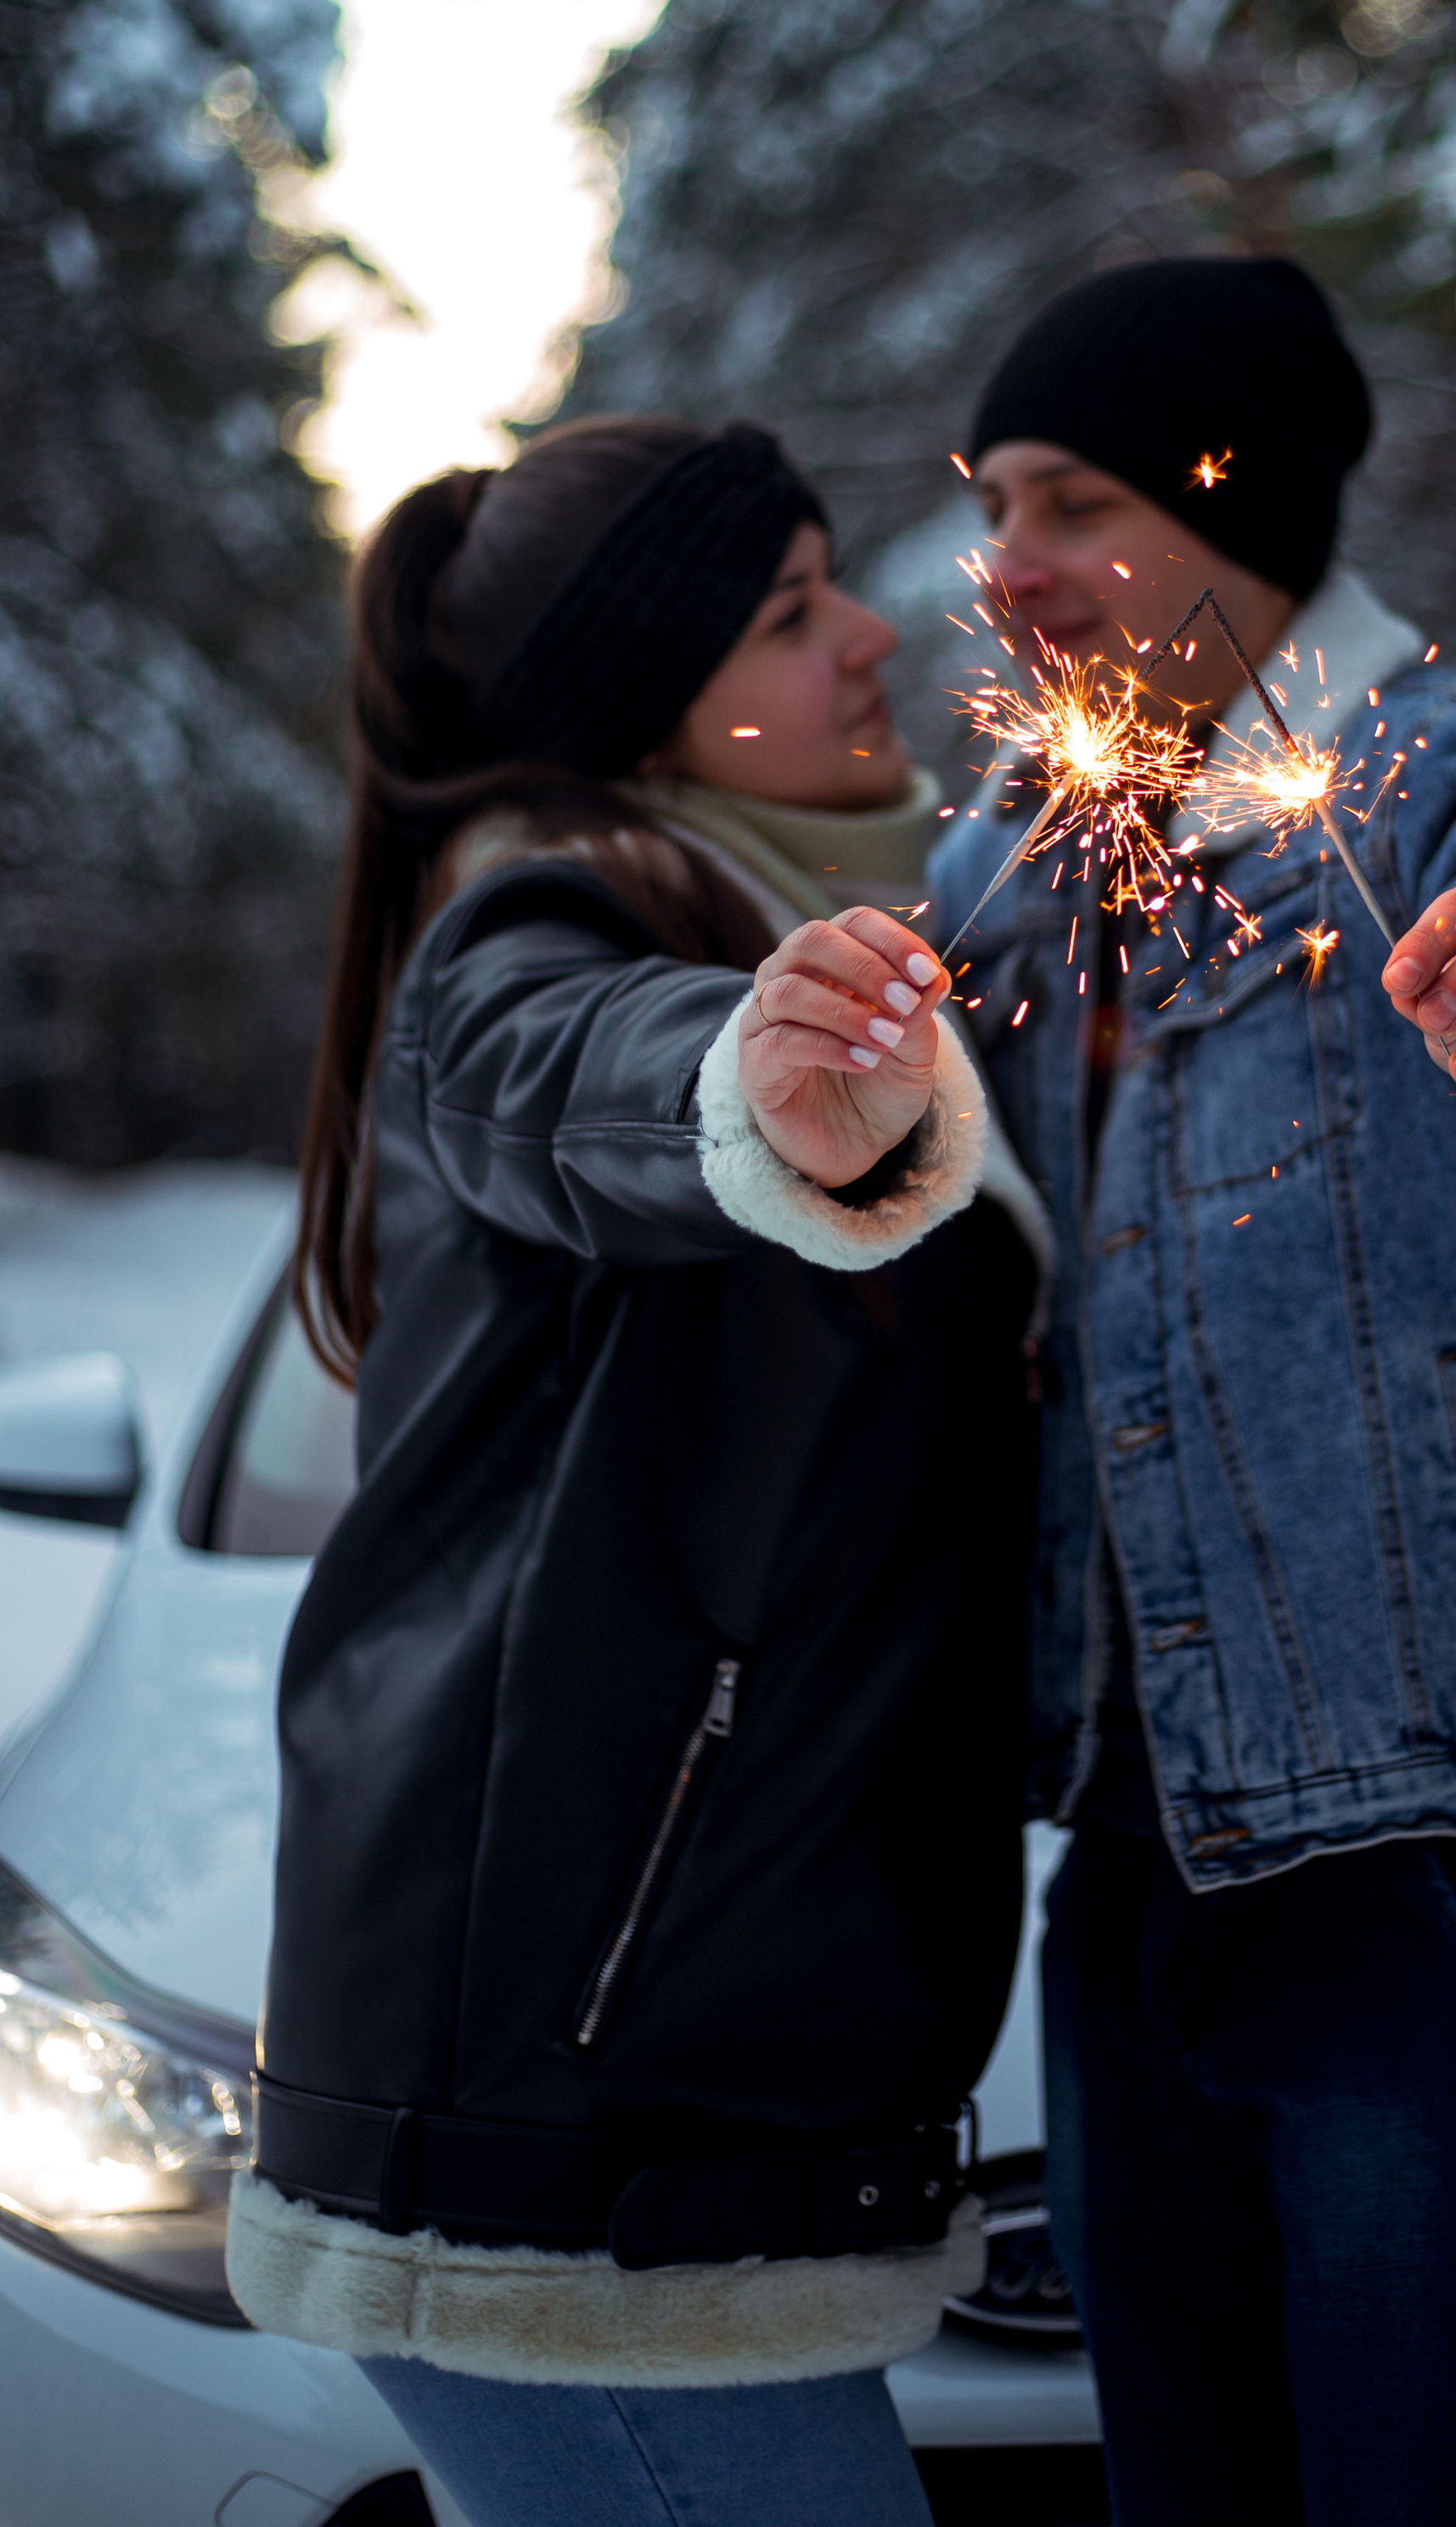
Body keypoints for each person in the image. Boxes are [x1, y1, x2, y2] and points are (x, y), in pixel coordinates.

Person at [932, 257, 1456, 2527]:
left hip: (1447, 1858)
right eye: (992, 507)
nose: (1006, 564)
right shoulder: (1018, 870)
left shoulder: (1452, 773)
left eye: (1074, 501)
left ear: (1239, 515)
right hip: (1132, 1856)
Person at [226, 414, 1048, 2527]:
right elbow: (574, 1077)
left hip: (661, 2101)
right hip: (564, 2143)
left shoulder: (828, 927)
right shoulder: (542, 928)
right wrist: (742, 1099)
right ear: (642, 700)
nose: (869, 634)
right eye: (786, 611)